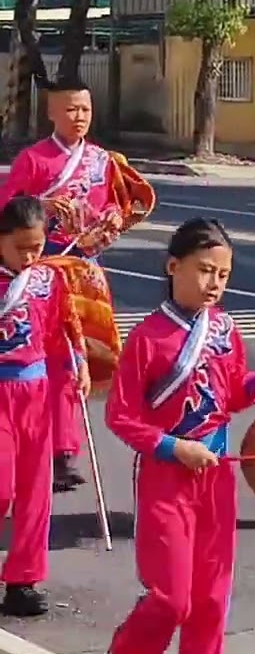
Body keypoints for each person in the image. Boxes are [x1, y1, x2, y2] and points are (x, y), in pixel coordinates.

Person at [103, 218, 255, 654]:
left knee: (212, 594)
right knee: (172, 596)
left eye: (223, 275)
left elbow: (230, 395)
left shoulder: (225, 328)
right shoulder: (147, 337)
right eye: (205, 270)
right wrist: (173, 448)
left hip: (216, 471)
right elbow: (120, 416)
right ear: (173, 266)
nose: (215, 284)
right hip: (166, 475)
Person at [0, 77, 131, 492]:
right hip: (42, 271)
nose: (79, 117)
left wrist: (113, 219)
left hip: (84, 271)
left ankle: (64, 449)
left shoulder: (101, 160)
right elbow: (7, 209)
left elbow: (115, 204)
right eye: (71, 109)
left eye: (85, 109)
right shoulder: (33, 160)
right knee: (43, 359)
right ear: (52, 112)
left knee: (75, 360)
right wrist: (40, 206)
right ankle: (41, 447)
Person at [0, 196, 89, 617]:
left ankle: (23, 580)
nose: (29, 256)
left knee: (36, 490)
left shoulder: (48, 280)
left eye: (36, 247)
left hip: (36, 392)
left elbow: (65, 327)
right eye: (20, 247)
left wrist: (79, 364)